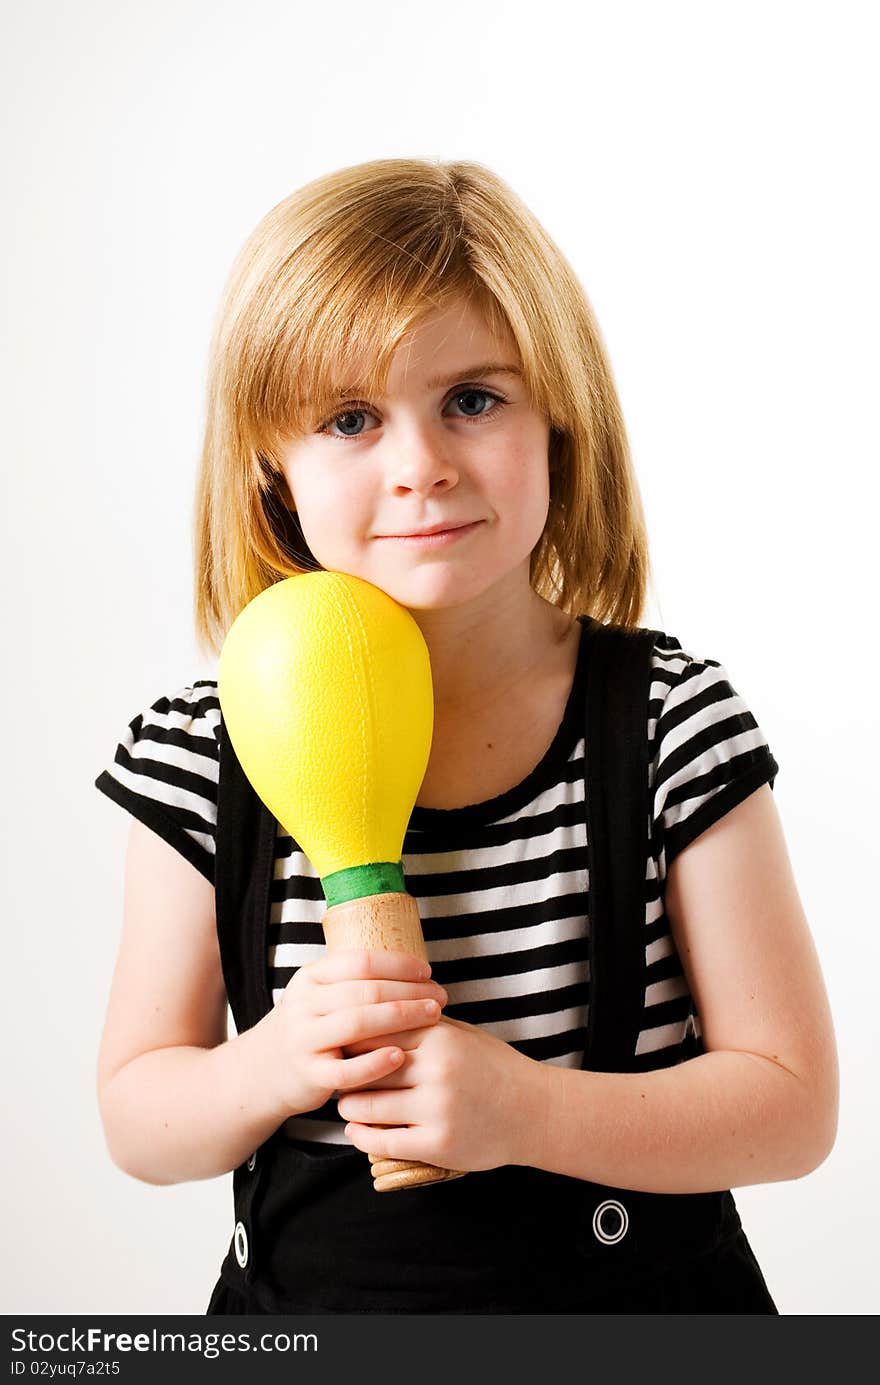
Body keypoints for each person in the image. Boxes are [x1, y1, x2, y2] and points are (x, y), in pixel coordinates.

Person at [94, 158, 838, 1315]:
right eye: (349, 418)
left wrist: (524, 1109)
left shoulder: (667, 724)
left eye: (472, 399)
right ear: (270, 472)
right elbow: (141, 1114)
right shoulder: (206, 748)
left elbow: (792, 1107)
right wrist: (276, 1059)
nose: (421, 464)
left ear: (559, 418)